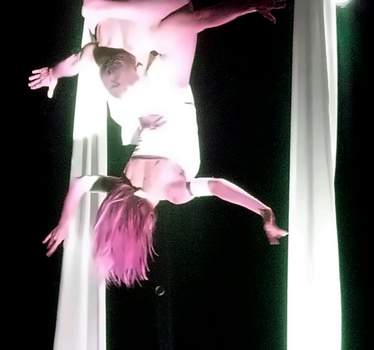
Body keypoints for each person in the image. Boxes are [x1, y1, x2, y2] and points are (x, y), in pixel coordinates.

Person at [43, 20, 288, 287]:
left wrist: (264, 211)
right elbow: (81, 183)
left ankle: (250, 4)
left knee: (191, 18)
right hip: (144, 92)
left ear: (144, 227)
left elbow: (217, 186)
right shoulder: (123, 185)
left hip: (172, 86)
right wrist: (64, 223)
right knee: (105, 45)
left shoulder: (174, 193)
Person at [28, 0, 288, 99]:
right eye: (119, 80)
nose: (112, 77)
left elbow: (74, 63)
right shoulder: (150, 40)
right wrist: (252, 3)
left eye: (110, 82)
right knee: (178, 78)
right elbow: (204, 18)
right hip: (157, 6)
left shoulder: (101, 54)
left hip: (131, 0)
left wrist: (53, 73)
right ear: (138, 66)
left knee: (177, 78)